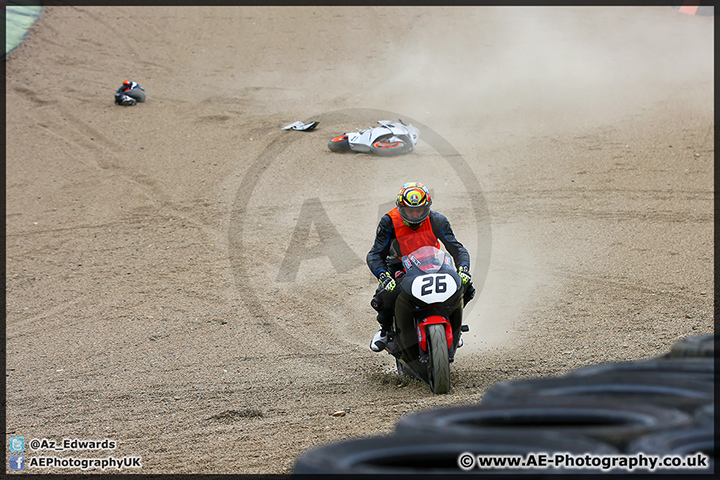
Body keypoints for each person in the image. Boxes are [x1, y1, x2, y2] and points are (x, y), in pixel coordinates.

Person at [366, 182, 473, 352]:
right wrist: (384, 276)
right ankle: (385, 330)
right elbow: (375, 254)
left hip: (433, 262)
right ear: (401, 207)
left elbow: (457, 248)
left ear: (427, 207)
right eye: (410, 210)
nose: (415, 215)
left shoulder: (438, 220)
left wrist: (464, 268)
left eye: (419, 210)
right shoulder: (389, 221)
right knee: (385, 295)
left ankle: (455, 327)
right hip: (398, 265)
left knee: (466, 286)